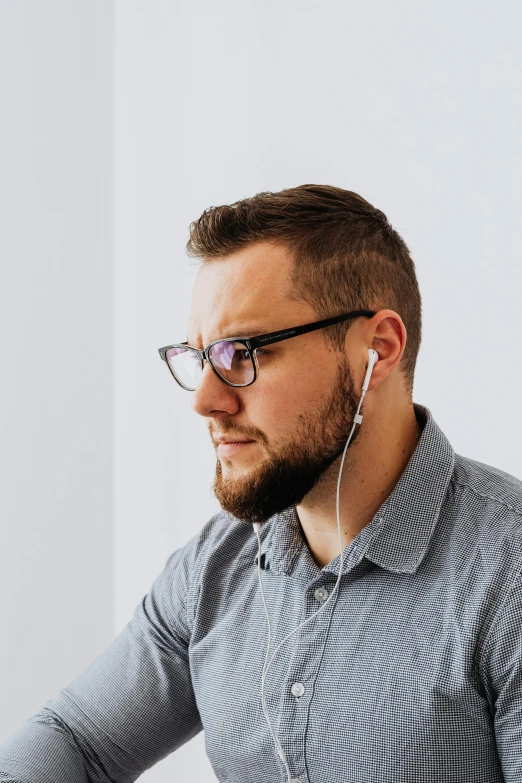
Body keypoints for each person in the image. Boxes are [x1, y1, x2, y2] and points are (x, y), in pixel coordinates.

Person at [1, 184, 521, 783]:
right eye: (200, 357)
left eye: (241, 353)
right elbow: (77, 742)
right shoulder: (214, 567)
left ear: (377, 350)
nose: (205, 400)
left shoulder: (507, 575)